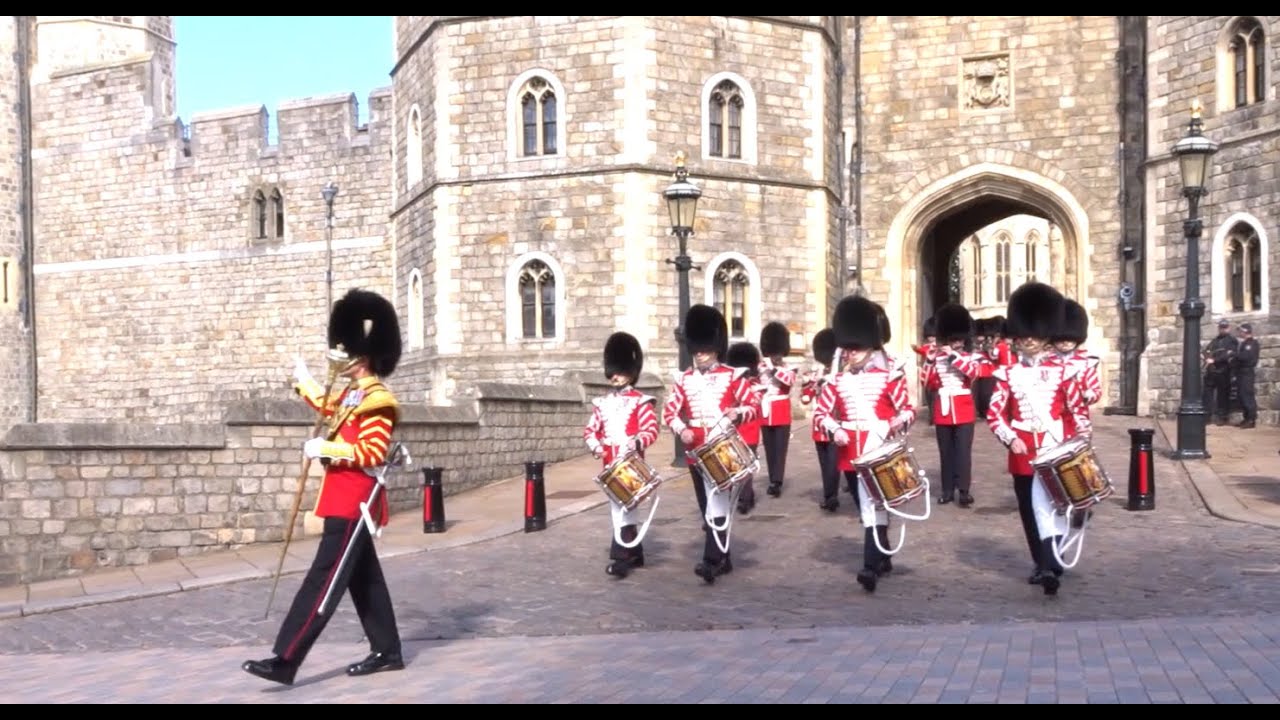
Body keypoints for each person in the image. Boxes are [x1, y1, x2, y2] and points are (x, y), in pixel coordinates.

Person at [243, 288, 406, 686]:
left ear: (362, 356)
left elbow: (371, 451)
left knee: (324, 581)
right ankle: (388, 651)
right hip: (341, 499)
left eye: (346, 351)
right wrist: (306, 383)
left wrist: (326, 447)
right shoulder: (355, 394)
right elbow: (332, 408)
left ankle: (286, 658)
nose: (341, 357)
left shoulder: (378, 400)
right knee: (364, 580)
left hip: (355, 503)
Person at [986, 282, 1092, 596]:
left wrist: (1080, 443)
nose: (1029, 339)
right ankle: (1043, 560)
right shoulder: (1007, 374)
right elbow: (995, 415)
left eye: (1035, 333)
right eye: (1024, 333)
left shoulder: (1065, 372)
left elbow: (1077, 411)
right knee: (1029, 509)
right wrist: (1009, 438)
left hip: (1055, 446)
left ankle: (1049, 564)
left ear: (1046, 334)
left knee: (1051, 507)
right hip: (1022, 450)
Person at [812, 295, 916, 593]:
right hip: (850, 453)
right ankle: (882, 553)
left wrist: (896, 423)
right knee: (866, 507)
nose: (852, 353)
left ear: (871, 347)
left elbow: (906, 410)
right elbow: (821, 415)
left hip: (878, 451)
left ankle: (870, 566)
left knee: (872, 507)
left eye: (857, 348)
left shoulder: (889, 378)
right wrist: (835, 429)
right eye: (849, 348)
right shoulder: (836, 382)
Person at [662, 304, 760, 584]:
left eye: (704, 349)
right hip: (696, 452)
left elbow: (754, 405)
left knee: (715, 505)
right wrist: (682, 430)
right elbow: (669, 412)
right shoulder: (684, 380)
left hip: (721, 449)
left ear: (716, 348)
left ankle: (711, 560)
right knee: (707, 504)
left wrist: (737, 413)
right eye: (697, 349)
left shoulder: (732, 376)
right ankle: (724, 557)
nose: (700, 354)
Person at [584, 331, 660, 579]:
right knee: (618, 508)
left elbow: (651, 429)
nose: (615, 375)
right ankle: (634, 553)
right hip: (609, 464)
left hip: (631, 463)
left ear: (631, 371)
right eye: (613, 371)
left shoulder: (641, 402)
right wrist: (596, 446)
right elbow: (591, 430)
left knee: (625, 509)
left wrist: (636, 442)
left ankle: (620, 558)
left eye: (620, 370)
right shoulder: (602, 403)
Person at [923, 302, 992, 507]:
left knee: (963, 451)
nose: (956, 342)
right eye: (952, 339)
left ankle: (963, 490)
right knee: (945, 452)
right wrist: (928, 361)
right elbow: (926, 382)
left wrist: (953, 356)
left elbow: (973, 373)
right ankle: (946, 490)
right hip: (943, 410)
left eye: (959, 339)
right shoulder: (938, 358)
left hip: (963, 410)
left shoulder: (972, 356)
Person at [802, 328, 841, 512]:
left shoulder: (841, 372)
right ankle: (829, 494)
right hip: (820, 425)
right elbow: (807, 396)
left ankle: (832, 496)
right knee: (824, 463)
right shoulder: (818, 372)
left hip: (835, 422)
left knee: (833, 463)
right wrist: (811, 386)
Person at [758, 321, 797, 498]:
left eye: (778, 353)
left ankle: (777, 482)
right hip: (765, 412)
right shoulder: (761, 367)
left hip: (781, 411)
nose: (775, 356)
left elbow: (788, 381)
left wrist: (773, 368)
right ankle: (772, 477)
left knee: (780, 448)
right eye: (773, 353)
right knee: (769, 447)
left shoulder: (789, 368)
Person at [727, 341, 764, 514]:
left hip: (749, 428)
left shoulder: (755, 384)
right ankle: (743, 495)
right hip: (734, 429)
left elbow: (755, 405)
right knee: (734, 464)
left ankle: (745, 498)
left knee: (747, 462)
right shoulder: (732, 383)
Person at [1052, 299, 1102, 407]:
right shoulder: (1045, 361)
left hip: (1077, 416)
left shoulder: (1087, 363)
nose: (1065, 343)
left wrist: (1090, 394)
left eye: (1070, 339)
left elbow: (1096, 389)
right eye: (1060, 339)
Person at [1203, 319, 1238, 426]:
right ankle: (1207, 416)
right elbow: (1207, 350)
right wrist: (1206, 356)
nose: (1223, 329)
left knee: (1223, 395)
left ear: (1228, 328)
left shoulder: (1232, 340)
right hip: (1212, 371)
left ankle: (1223, 417)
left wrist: (1215, 360)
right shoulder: (1215, 340)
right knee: (1207, 393)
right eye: (1221, 327)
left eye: (1225, 327)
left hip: (1224, 370)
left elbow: (1229, 355)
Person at [1234, 322, 1259, 429]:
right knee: (1241, 395)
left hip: (1247, 372)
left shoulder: (1252, 343)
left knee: (1247, 395)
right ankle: (1246, 418)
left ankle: (1251, 419)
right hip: (1241, 372)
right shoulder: (1244, 343)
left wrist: (1234, 355)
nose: (1239, 333)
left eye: (1240, 331)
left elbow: (1246, 357)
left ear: (1245, 332)